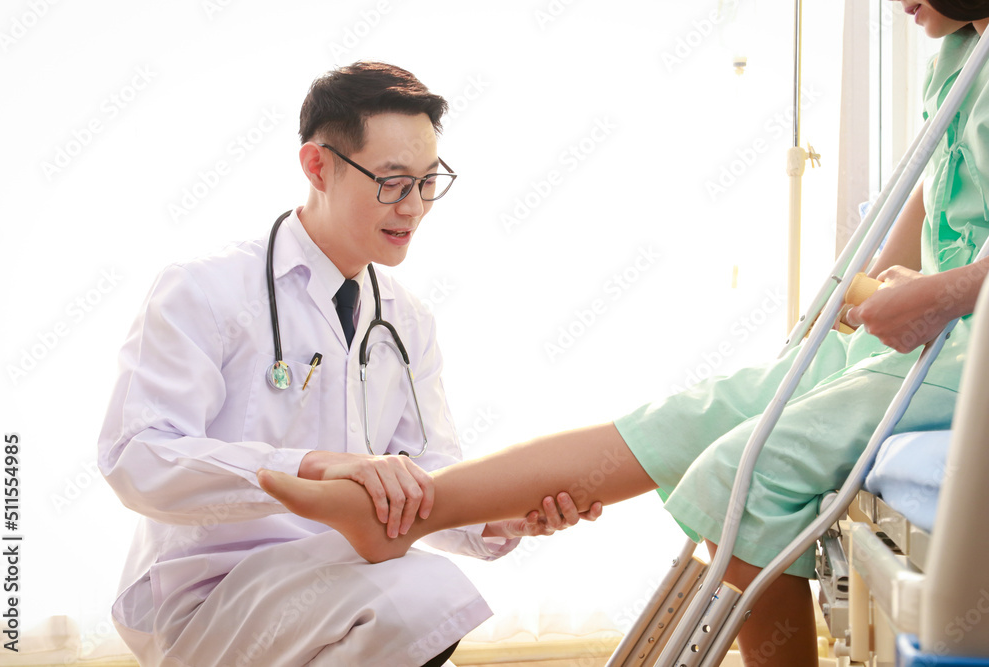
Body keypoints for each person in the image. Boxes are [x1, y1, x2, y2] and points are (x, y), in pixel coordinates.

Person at [256, 3, 989, 665]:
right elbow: (927, 200)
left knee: (741, 477)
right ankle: (406, 517)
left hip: (972, 345)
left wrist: (943, 294)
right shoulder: (957, 58)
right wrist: (857, 298)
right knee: (681, 421)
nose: (898, 5)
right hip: (917, 331)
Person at [98, 61, 601, 667]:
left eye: (427, 181)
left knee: (425, 595)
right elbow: (137, 457)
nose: (413, 207)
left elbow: (425, 475)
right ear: (318, 166)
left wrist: (506, 516)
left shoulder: (406, 320)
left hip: (340, 582)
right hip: (214, 590)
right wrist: (309, 468)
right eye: (392, 182)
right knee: (423, 595)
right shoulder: (206, 289)